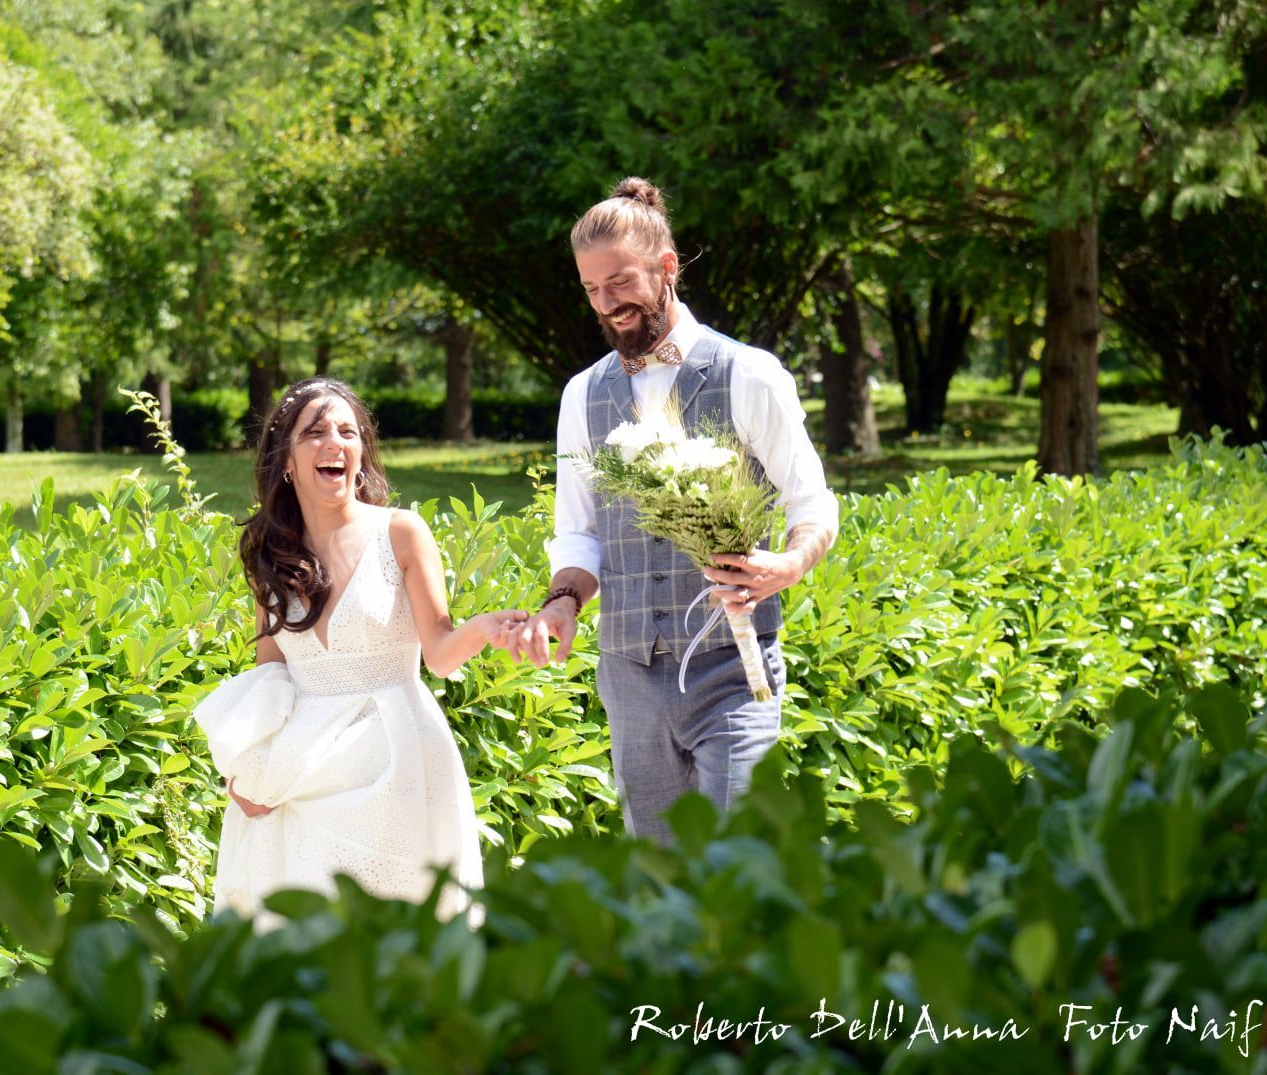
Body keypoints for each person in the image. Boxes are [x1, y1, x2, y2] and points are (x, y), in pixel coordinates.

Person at [505, 177, 839, 840]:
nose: (607, 305)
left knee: (735, 862)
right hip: (629, 676)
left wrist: (787, 564)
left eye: (620, 282)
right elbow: (579, 532)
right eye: (591, 290)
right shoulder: (582, 395)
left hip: (732, 666)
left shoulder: (749, 373)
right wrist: (562, 602)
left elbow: (812, 501)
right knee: (659, 879)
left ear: (666, 267)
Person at [194, 377, 525, 928]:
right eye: (315, 432)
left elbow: (441, 654)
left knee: (397, 933)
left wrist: (486, 628)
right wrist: (251, 771)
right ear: (286, 461)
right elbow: (270, 673)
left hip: (396, 759)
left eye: (348, 432)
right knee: (302, 934)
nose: (335, 443)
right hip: (302, 771)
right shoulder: (268, 553)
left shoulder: (401, 533)